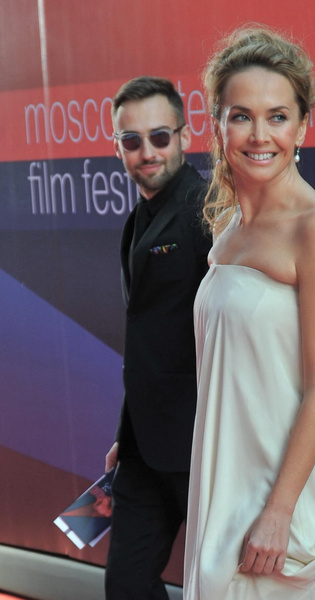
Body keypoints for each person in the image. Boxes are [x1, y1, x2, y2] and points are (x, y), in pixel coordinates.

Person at [184, 26, 315, 599]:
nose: (259, 134)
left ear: (302, 127)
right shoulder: (227, 227)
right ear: (217, 125)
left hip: (286, 501)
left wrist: (279, 510)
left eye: (277, 116)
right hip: (228, 478)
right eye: (241, 116)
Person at [104, 76, 211, 600]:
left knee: (221, 586)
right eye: (132, 140)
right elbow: (149, 338)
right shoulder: (135, 221)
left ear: (185, 136)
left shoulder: (207, 209)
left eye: (160, 137)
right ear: (118, 147)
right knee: (126, 585)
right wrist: (128, 431)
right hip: (144, 447)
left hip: (203, 443)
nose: (147, 152)